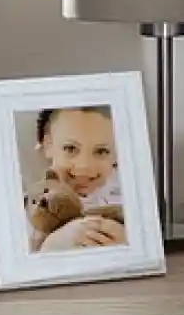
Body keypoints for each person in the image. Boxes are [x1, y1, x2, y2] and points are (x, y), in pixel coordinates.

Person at [25, 102, 128, 252]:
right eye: (70, 148)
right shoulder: (33, 208)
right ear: (48, 146)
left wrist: (128, 244)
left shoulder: (130, 198)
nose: (84, 166)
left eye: (101, 151)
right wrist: (52, 246)